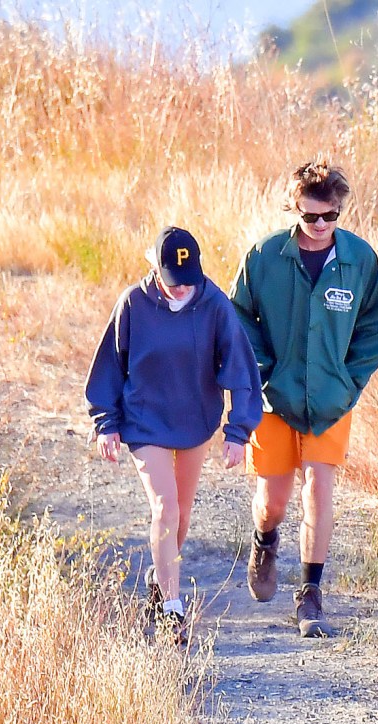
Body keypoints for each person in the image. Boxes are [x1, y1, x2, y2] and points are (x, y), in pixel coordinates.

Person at [229, 160, 378, 638]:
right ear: (294, 209)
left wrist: (349, 379)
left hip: (329, 400)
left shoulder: (359, 260)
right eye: (310, 217)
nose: (320, 226)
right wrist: (263, 371)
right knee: (273, 501)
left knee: (320, 488)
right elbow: (239, 317)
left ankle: (310, 595)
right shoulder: (263, 257)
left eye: (331, 216)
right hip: (274, 400)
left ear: (340, 211)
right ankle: (264, 540)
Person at [85, 226, 262, 642]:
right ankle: (171, 607)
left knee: (181, 514)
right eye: (173, 284)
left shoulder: (215, 305)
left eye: (189, 283)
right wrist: (105, 422)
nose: (182, 291)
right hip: (146, 421)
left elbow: (241, 370)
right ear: (156, 270)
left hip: (195, 421)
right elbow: (110, 365)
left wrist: (237, 432)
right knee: (165, 508)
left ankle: (158, 576)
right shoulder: (133, 303)